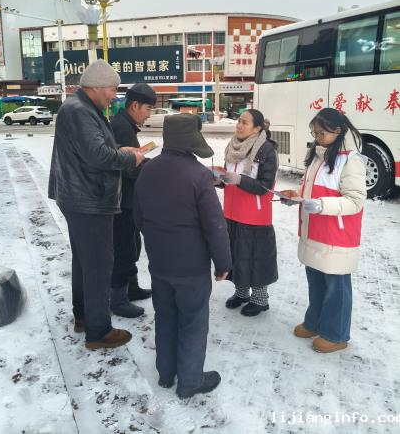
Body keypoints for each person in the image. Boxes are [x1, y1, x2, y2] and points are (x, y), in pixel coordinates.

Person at [133, 113, 232, 399]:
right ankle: (190, 381)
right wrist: (223, 263)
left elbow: (138, 217)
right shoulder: (199, 176)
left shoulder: (147, 170)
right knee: (192, 321)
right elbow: (215, 226)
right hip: (191, 266)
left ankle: (166, 373)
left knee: (165, 316)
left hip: (159, 262)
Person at [48, 59, 144, 350]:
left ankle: (84, 317)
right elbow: (98, 156)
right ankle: (99, 331)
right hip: (89, 200)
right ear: (98, 86)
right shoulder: (80, 111)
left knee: (84, 262)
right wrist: (130, 157)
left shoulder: (79, 108)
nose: (115, 96)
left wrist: (118, 149)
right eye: (113, 90)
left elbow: (93, 149)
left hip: (79, 197)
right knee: (99, 265)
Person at [281, 108, 366, 353]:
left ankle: (336, 334)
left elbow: (355, 201)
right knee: (316, 283)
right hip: (315, 231)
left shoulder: (351, 160)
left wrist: (321, 205)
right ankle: (315, 322)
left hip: (336, 237)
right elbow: (310, 190)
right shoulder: (319, 155)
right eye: (315, 132)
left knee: (336, 289)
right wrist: (296, 195)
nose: (317, 137)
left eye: (322, 133)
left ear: (338, 131)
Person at [221, 109, 279, 316]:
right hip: (232, 211)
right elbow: (230, 176)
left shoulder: (266, 150)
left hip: (255, 215)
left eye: (245, 122)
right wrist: (219, 179)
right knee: (237, 255)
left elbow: (265, 186)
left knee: (256, 258)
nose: (239, 125)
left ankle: (260, 299)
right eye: (239, 121)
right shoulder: (232, 146)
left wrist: (239, 180)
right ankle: (241, 293)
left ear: (257, 128)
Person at [109, 84, 157, 318]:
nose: (149, 115)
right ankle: (118, 300)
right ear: (135, 106)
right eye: (148, 109)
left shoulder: (123, 124)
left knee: (131, 245)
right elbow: (128, 167)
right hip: (121, 201)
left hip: (126, 198)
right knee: (123, 248)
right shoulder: (122, 128)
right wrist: (151, 169)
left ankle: (132, 287)